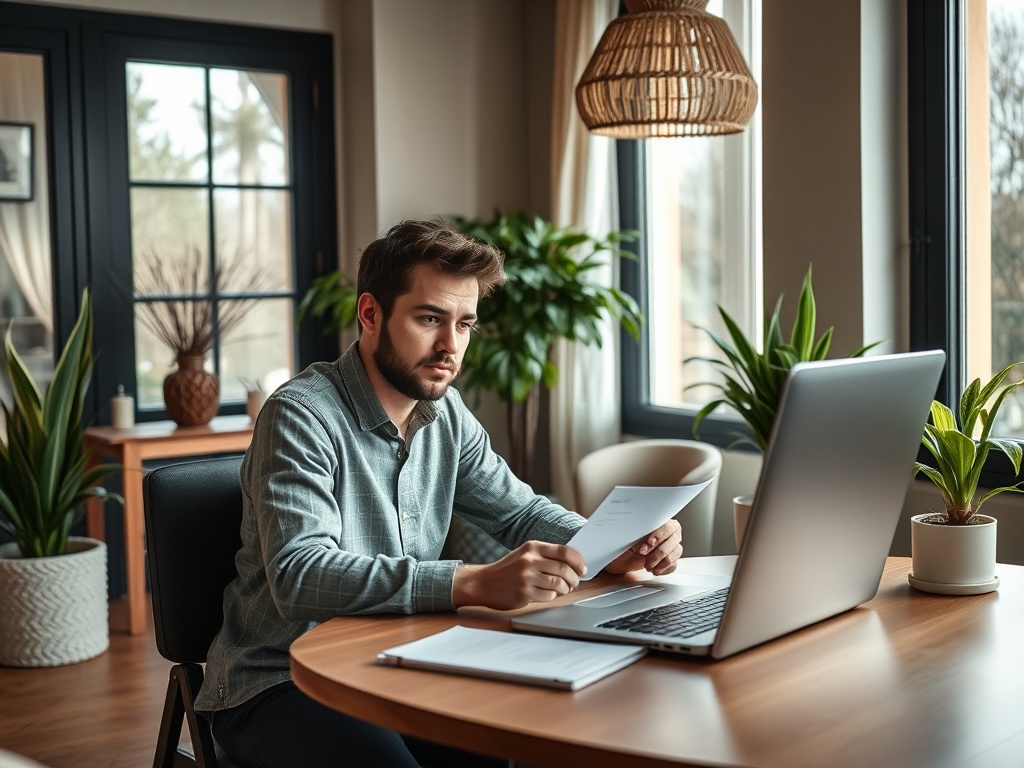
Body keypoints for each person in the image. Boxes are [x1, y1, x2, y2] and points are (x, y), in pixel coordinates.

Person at [195, 218, 683, 767]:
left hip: (400, 661)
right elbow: (300, 575)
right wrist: (470, 581)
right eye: (430, 319)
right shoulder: (301, 415)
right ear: (371, 314)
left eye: (465, 324)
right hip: (278, 681)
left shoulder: (447, 414)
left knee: (526, 747)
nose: (451, 345)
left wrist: (608, 544)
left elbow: (518, 511)